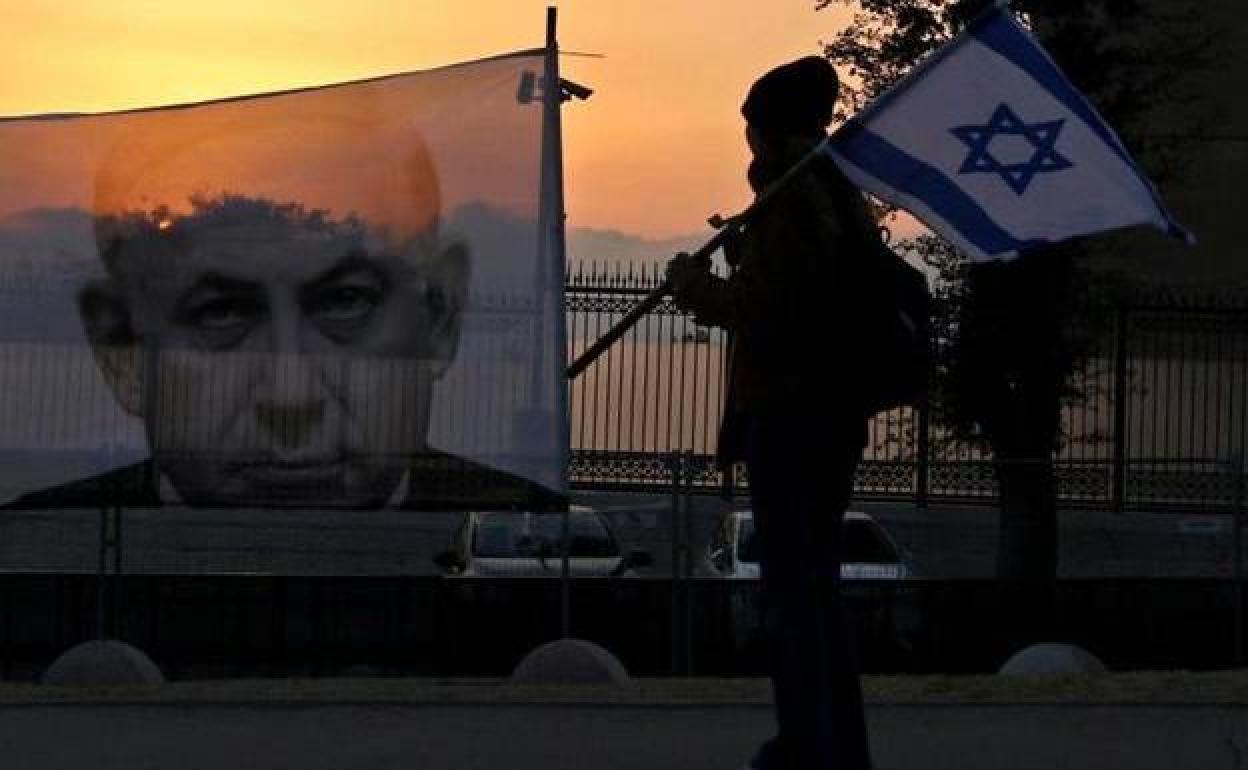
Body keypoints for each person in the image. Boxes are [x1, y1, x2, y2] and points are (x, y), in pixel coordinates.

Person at [5, 118, 557, 513]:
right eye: (221, 313)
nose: (291, 398)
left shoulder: (533, 546)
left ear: (440, 319)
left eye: (344, 303)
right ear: (121, 349)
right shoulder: (34, 554)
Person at [666, 56, 878, 770]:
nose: (746, 142)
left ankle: (804, 748)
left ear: (769, 129)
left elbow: (775, 319)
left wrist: (695, 291)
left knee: (791, 594)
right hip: (831, 414)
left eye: (750, 127)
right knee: (817, 590)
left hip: (790, 417)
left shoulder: (792, 199)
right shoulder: (837, 194)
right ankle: (837, 745)